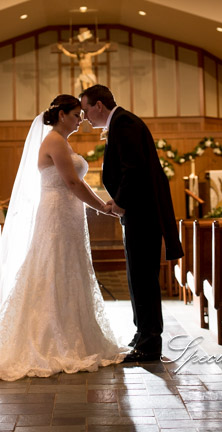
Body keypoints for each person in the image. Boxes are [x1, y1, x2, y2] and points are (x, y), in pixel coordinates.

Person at [0, 94, 126, 383]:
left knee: (68, 270)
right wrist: (103, 207)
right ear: (62, 115)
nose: (81, 119)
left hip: (69, 216)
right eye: (76, 113)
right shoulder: (54, 141)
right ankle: (49, 338)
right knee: (52, 269)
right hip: (56, 216)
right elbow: (71, 182)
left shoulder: (62, 142)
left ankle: (73, 334)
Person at [79, 84, 184, 363]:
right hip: (138, 211)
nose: (86, 117)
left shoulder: (124, 123)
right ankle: (142, 333)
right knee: (137, 276)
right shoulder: (122, 123)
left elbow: (133, 169)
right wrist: (120, 202)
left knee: (143, 278)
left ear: (99, 105)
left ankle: (150, 343)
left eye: (87, 109)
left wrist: (121, 202)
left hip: (142, 213)